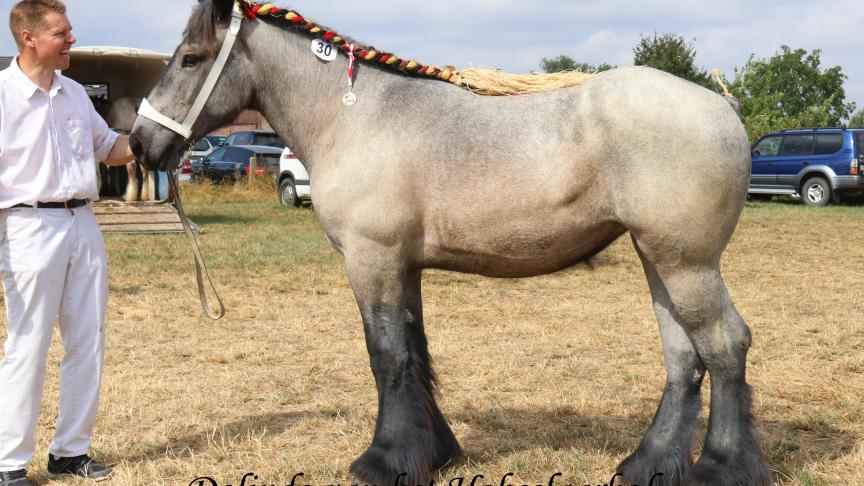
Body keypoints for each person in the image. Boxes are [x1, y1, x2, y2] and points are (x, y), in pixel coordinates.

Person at [0, 1, 136, 484]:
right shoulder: (1, 97)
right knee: (28, 344)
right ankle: (10, 463)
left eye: (70, 30)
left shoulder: (75, 93)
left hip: (83, 223)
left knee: (87, 342)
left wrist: (148, 140)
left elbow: (109, 149)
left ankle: (70, 453)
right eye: (61, 32)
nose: (71, 39)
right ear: (28, 38)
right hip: (26, 227)